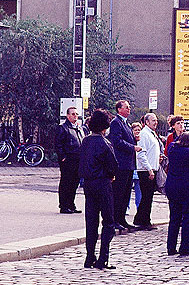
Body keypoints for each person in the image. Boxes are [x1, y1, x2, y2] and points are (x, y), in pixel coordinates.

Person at [79, 108, 118, 270]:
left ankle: (89, 257)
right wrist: (111, 175)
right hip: (103, 183)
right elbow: (113, 166)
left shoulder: (86, 141)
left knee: (91, 221)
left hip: (89, 184)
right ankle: (103, 258)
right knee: (108, 222)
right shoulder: (105, 143)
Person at [107, 100, 138, 230]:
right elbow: (117, 142)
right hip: (121, 164)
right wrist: (133, 147)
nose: (129, 109)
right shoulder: (116, 123)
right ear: (119, 109)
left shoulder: (126, 123)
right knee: (118, 193)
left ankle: (121, 218)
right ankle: (114, 219)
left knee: (126, 193)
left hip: (129, 164)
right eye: (126, 107)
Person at [55, 107, 85, 214]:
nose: (75, 116)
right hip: (68, 159)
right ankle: (64, 205)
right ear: (67, 116)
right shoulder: (63, 128)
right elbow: (58, 144)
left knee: (74, 183)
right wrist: (62, 157)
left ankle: (71, 204)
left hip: (78, 159)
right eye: (73, 114)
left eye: (76, 114)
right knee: (66, 182)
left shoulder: (79, 128)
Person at [134, 113, 161, 230]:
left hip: (151, 168)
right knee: (147, 196)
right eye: (153, 120)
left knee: (148, 196)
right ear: (146, 122)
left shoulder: (151, 134)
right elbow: (141, 154)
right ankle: (144, 221)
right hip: (145, 170)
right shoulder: (144, 134)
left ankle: (141, 218)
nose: (155, 122)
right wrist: (149, 169)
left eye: (156, 120)